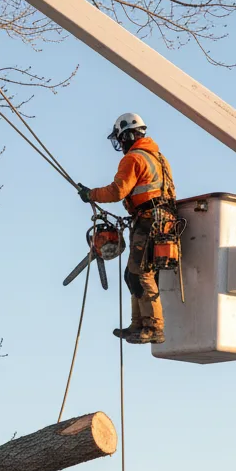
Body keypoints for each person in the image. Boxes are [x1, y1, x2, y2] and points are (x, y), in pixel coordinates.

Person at [75, 113, 177, 344]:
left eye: (121, 139)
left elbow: (117, 191)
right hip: (162, 221)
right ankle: (138, 324)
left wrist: (91, 194)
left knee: (140, 273)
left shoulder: (133, 159)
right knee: (133, 273)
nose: (121, 145)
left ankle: (153, 327)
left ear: (129, 135)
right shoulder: (159, 158)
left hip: (149, 221)